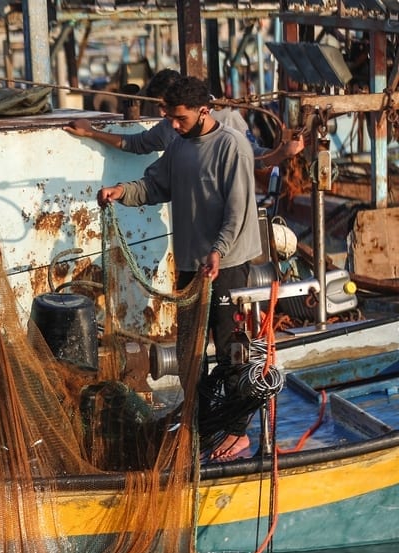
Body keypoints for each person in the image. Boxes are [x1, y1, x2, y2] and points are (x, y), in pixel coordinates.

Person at [97, 76, 262, 463]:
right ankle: (200, 419)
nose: (172, 124)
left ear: (204, 111)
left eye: (179, 117)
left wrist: (218, 252)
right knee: (190, 350)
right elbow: (154, 186)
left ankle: (238, 431)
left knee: (230, 349)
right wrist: (121, 192)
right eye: (169, 117)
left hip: (228, 264)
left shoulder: (232, 147)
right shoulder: (180, 146)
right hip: (192, 266)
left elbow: (237, 212)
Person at [65, 68, 304, 169]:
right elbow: (136, 144)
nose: (163, 115)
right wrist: (91, 133)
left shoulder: (226, 122)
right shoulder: (169, 127)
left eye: (165, 107)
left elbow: (251, 157)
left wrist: (282, 153)